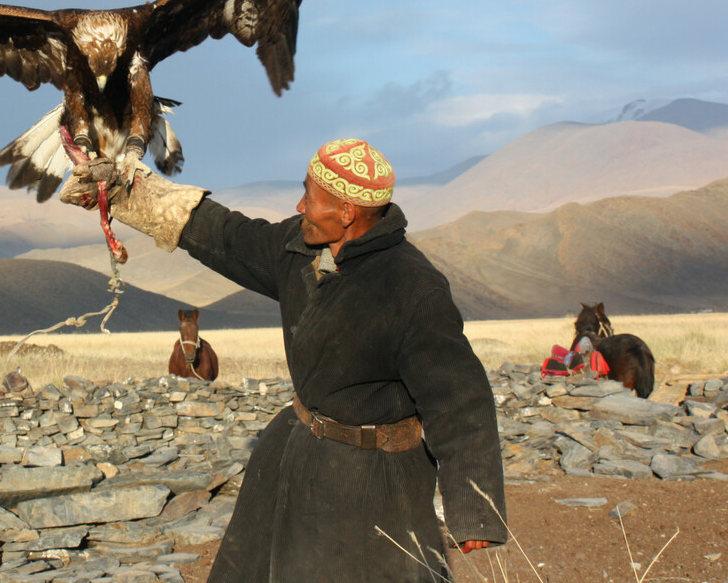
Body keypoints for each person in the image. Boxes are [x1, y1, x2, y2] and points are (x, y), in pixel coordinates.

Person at [61, 138, 507, 582]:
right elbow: (228, 236)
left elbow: (459, 397)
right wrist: (127, 191)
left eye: (310, 198)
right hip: (292, 452)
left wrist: (475, 508)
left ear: (346, 213)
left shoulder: (412, 288)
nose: (299, 205)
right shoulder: (301, 246)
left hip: (373, 480)